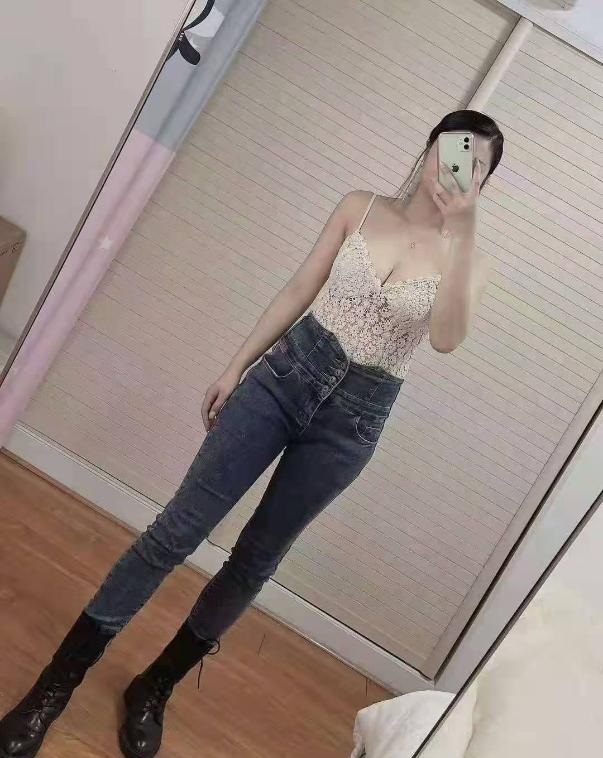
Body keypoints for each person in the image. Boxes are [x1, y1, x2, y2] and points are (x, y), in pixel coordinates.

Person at [0, 109, 503, 758]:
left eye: (475, 167)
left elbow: (445, 338)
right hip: (286, 374)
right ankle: (53, 688)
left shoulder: (469, 262)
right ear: (431, 147)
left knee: (252, 565)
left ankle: (155, 686)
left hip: (352, 423)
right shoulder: (360, 207)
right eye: (452, 151)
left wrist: (465, 227)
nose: (455, 171)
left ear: (484, 183)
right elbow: (300, 288)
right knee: (175, 531)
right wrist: (236, 364)